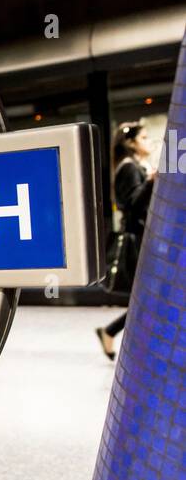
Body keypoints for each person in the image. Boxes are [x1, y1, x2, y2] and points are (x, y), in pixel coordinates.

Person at [96, 121, 155, 359]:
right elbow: (131, 204)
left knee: (146, 297)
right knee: (146, 297)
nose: (149, 142)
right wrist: (151, 181)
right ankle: (115, 334)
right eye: (144, 138)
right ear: (131, 144)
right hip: (135, 242)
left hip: (141, 239)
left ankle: (110, 332)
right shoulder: (129, 167)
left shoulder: (133, 166)